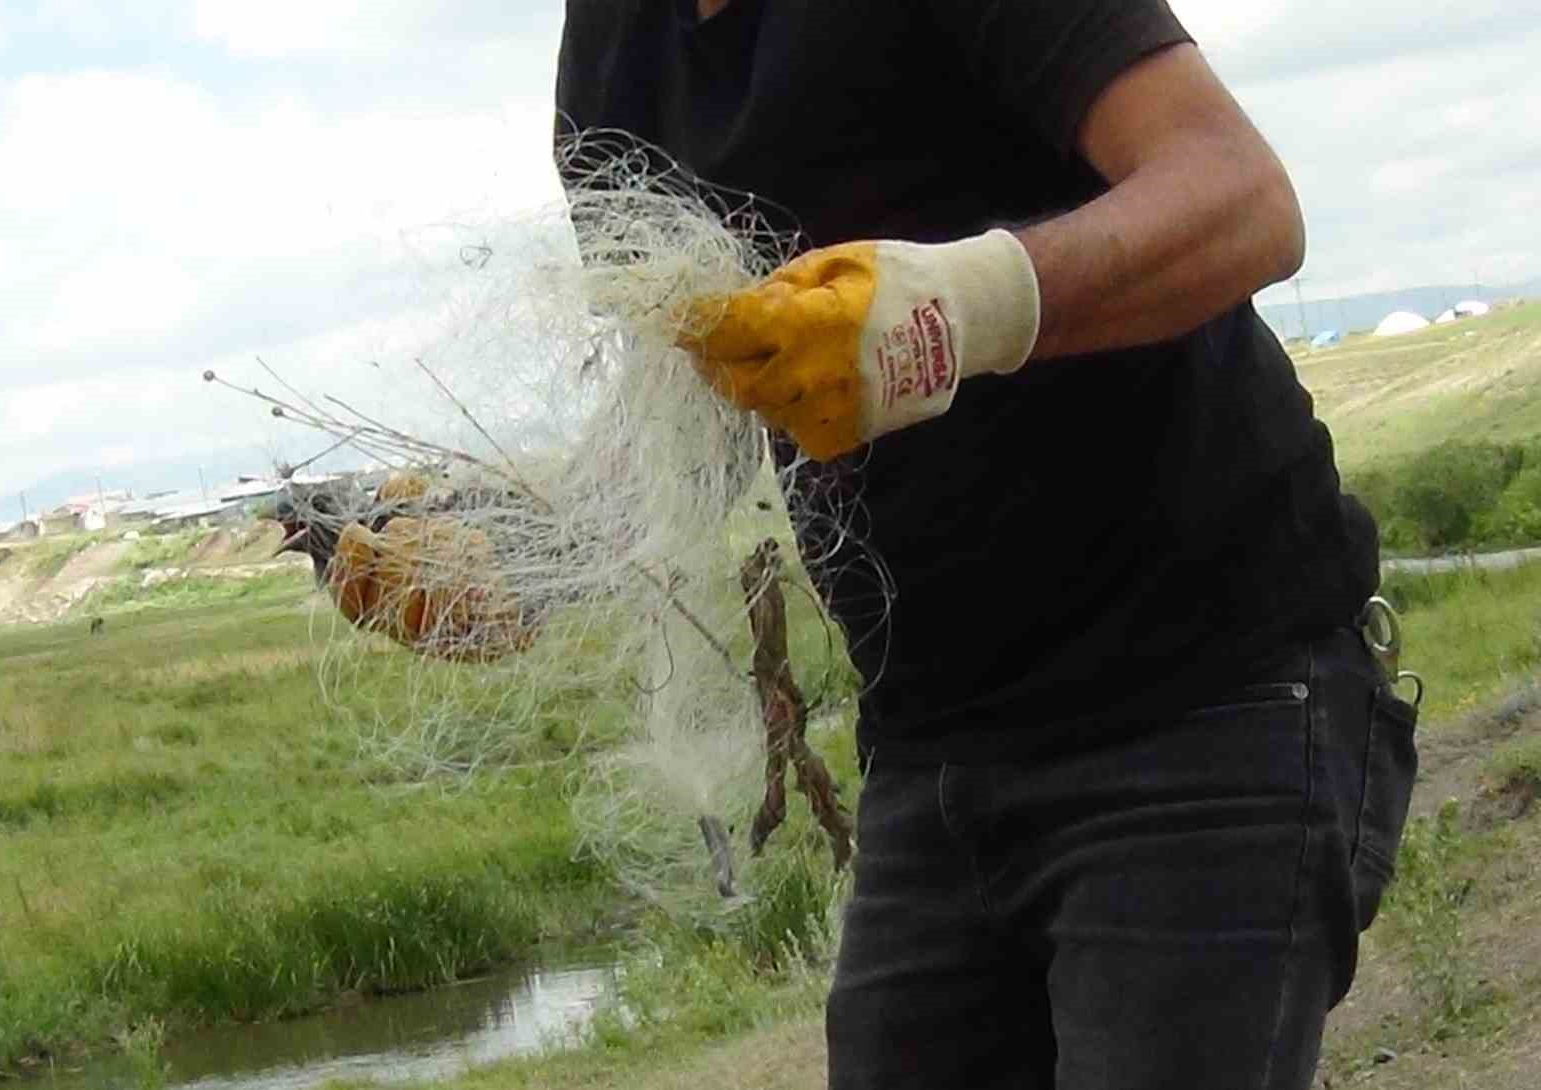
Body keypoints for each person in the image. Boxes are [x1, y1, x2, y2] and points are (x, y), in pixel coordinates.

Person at [553, 3, 1420, 1087]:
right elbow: (701, 413)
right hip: (928, 744)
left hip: (1204, 690)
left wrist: (962, 308)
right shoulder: (611, 46)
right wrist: (520, 568)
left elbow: (1244, 202)